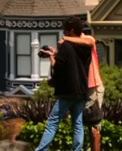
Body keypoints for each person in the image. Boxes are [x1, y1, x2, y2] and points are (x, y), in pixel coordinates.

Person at [34, 16, 93, 151]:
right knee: (78, 123)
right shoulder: (86, 46)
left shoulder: (66, 46)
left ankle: (41, 149)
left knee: (52, 122)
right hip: (82, 89)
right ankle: (77, 149)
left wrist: (51, 56)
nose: (64, 33)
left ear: (71, 30)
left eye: (66, 30)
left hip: (67, 90)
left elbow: (58, 67)